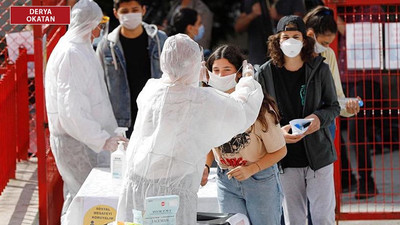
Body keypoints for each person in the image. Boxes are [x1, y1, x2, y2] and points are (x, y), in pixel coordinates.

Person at [116, 34, 264, 224]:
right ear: (195, 64)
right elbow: (241, 110)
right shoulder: (200, 100)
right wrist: (247, 81)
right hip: (171, 196)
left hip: (136, 183)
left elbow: (177, 95)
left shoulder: (151, 89)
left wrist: (193, 79)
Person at [44, 0, 128, 221]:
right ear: (90, 24)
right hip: (79, 143)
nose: (100, 30)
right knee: (86, 201)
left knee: (78, 199)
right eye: (99, 24)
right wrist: (102, 140)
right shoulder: (72, 54)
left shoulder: (77, 49)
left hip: (83, 141)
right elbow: (72, 111)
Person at [255, 16, 340, 225]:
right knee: (294, 219)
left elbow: (333, 106)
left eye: (295, 36)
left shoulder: (319, 68)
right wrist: (277, 133)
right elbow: (257, 114)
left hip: (318, 156)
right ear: (277, 40)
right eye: (285, 37)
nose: (290, 41)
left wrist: (317, 119)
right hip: (284, 157)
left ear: (304, 40)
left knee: (323, 218)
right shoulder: (266, 72)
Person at [202, 44, 287, 225]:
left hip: (260, 179)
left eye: (227, 70)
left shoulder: (259, 108)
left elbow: (280, 151)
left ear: (239, 73)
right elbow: (209, 142)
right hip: (227, 180)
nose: (220, 75)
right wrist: (206, 166)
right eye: (215, 70)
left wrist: (252, 169)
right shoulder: (209, 105)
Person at [303, 5, 364, 194]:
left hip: (324, 124)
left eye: (330, 42)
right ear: (310, 34)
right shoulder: (294, 56)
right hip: (297, 123)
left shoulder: (328, 55)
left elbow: (337, 96)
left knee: (322, 187)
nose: (327, 47)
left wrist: (349, 107)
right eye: (324, 42)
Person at [96, 0, 167, 138]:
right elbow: (99, 84)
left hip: (156, 117)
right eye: (125, 11)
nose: (130, 15)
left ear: (143, 10)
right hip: (121, 124)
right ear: (116, 13)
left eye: (135, 10)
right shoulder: (106, 46)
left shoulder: (160, 40)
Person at [337, 5, 381, 199]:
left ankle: (367, 180)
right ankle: (346, 179)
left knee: (357, 131)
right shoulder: (335, 10)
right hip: (340, 79)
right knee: (335, 130)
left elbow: (359, 38)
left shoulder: (372, 8)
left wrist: (336, 19)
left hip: (365, 79)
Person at [234, 0, 274, 65]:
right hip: (258, 55)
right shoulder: (249, 2)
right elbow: (238, 27)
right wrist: (253, 14)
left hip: (279, 53)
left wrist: (277, 16)